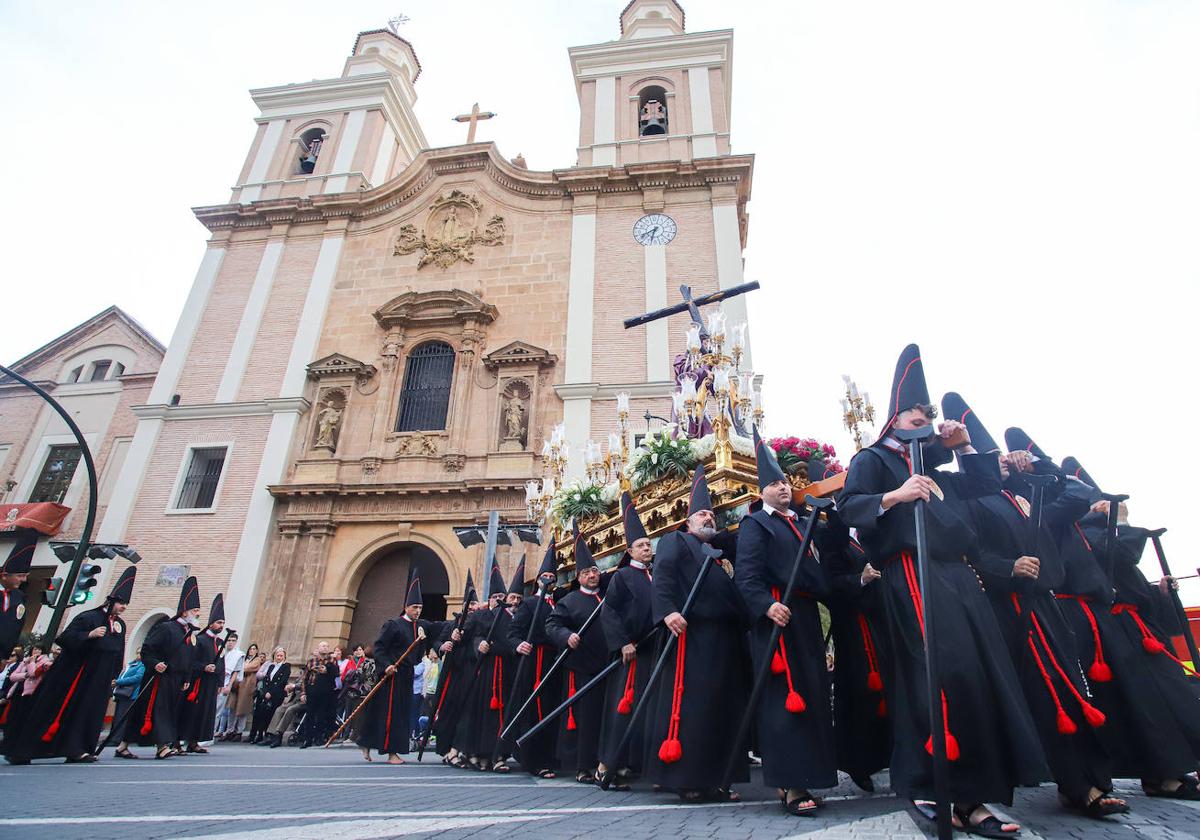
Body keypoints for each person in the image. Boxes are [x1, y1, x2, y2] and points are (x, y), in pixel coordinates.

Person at [839, 345, 1047, 835]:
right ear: (895, 418)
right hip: (908, 573)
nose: (926, 418)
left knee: (974, 672)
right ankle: (937, 787)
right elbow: (849, 507)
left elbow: (982, 487)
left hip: (954, 573)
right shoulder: (871, 459)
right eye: (917, 411)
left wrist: (964, 445)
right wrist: (896, 494)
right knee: (935, 673)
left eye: (929, 413)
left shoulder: (935, 463)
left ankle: (973, 796)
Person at [945, 396, 1126, 820]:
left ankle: (1088, 782)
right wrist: (1008, 566)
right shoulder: (971, 502)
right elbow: (968, 552)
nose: (999, 465)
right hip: (1007, 609)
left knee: (1073, 689)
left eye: (1001, 460)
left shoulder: (1029, 493)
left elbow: (1079, 493)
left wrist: (1036, 464)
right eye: (993, 460)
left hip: (1045, 605)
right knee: (1043, 695)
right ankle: (1064, 782)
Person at [736, 429, 838, 816]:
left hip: (805, 618)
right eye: (775, 483)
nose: (783, 488)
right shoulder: (756, 526)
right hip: (776, 619)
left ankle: (811, 774)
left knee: (811, 696)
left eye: (785, 482)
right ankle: (789, 785)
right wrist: (765, 605)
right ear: (762, 490)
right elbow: (746, 575)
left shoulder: (802, 525)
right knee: (784, 702)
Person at [645, 465, 751, 803]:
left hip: (724, 637)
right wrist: (667, 611)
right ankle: (688, 778)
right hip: (692, 633)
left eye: (712, 515)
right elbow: (663, 577)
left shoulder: (717, 551)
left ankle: (720, 779)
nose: (709, 519)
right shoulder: (676, 541)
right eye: (702, 514)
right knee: (694, 707)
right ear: (687, 521)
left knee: (723, 707)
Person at [5, 565, 137, 764]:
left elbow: (118, 651)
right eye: (120, 603)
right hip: (76, 675)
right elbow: (65, 638)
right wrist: (88, 635)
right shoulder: (89, 617)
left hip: (98, 679)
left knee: (88, 713)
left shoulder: (120, 625)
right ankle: (24, 750)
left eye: (126, 604)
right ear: (111, 601)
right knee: (54, 709)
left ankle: (78, 748)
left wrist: (115, 674)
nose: (123, 607)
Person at [597, 494, 657, 792]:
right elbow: (610, 613)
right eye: (642, 545)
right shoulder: (621, 577)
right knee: (622, 711)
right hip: (629, 654)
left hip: (653, 652)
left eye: (649, 544)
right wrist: (622, 643)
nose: (648, 548)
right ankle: (607, 765)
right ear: (629, 549)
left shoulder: (657, 576)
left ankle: (638, 765)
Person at [120, 576, 201, 760]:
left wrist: (187, 678)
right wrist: (155, 663)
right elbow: (147, 649)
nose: (197, 614)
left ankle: (123, 744)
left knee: (148, 713)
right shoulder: (167, 628)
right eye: (195, 610)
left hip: (176, 680)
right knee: (158, 711)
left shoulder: (188, 634)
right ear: (184, 611)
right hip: (159, 677)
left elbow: (188, 659)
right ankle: (162, 746)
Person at [360, 569, 437, 764]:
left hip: (406, 675)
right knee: (390, 713)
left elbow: (440, 626)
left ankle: (367, 742)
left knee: (401, 714)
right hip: (391, 675)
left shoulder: (420, 625)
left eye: (420, 607)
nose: (418, 611)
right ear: (406, 607)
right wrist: (386, 665)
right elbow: (379, 648)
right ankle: (391, 753)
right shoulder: (393, 624)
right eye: (414, 607)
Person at [452, 561, 514, 771]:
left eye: (502, 597)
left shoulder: (511, 618)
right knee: (480, 714)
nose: (499, 600)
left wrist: (495, 646)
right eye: (496, 597)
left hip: (504, 670)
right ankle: (477, 752)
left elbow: (512, 640)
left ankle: (498, 755)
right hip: (483, 672)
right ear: (489, 599)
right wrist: (477, 644)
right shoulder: (479, 616)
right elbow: (467, 637)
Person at [507, 544, 562, 779]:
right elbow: (513, 632)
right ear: (538, 580)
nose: (548, 579)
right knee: (534, 709)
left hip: (554, 660)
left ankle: (550, 757)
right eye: (545, 576)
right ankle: (535, 759)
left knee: (552, 708)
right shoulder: (529, 604)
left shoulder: (559, 603)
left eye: (552, 576)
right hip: (536, 661)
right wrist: (519, 644)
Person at [179, 594, 226, 753]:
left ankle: (194, 741)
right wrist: (203, 667)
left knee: (204, 713)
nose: (221, 626)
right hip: (198, 682)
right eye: (219, 623)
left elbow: (221, 663)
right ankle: (179, 741)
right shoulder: (200, 639)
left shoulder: (219, 643)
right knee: (191, 711)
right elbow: (190, 660)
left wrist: (220, 682)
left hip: (211, 684)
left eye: (223, 623)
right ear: (211, 623)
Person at [1, 642, 50, 744]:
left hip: (30, 692)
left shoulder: (45, 661)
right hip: (18, 690)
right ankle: (7, 740)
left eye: (39, 649)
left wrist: (31, 664)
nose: (36, 651)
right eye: (35, 649)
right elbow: (13, 677)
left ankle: (15, 741)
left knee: (21, 717)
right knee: (11, 717)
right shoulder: (25, 661)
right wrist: (26, 674)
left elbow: (34, 673)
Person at [0, 529, 35, 656]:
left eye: (25, 575)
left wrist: (4, 655)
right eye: (20, 575)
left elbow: (14, 628)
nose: (24, 579)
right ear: (4, 575)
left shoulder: (19, 596)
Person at [298, 642, 337, 748]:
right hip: (312, 690)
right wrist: (303, 693)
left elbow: (336, 674)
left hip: (325, 692)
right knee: (309, 715)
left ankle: (319, 738)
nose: (325, 648)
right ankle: (308, 739)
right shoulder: (311, 661)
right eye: (322, 646)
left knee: (322, 715)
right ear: (318, 648)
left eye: (327, 646)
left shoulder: (332, 660)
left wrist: (327, 670)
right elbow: (304, 678)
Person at [105, 648, 145, 750]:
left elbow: (138, 678)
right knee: (118, 717)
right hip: (122, 694)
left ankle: (117, 739)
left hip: (131, 694)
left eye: (140, 653)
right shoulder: (131, 664)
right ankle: (114, 738)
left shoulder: (142, 665)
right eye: (137, 652)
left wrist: (119, 682)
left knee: (122, 718)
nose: (138, 655)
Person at [252, 648, 290, 746]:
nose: (279, 657)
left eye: (281, 656)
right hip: (267, 694)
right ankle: (262, 734)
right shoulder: (271, 666)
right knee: (263, 714)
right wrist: (265, 692)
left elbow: (282, 681)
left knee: (273, 714)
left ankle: (270, 736)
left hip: (277, 694)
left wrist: (271, 693)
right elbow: (266, 680)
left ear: (284, 657)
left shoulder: (286, 667)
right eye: (278, 655)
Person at [214, 631, 245, 740]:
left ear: (236, 642)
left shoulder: (238, 655)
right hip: (215, 682)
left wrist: (229, 686)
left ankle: (211, 734)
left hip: (225, 683)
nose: (230, 643)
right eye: (229, 640)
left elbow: (236, 671)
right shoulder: (221, 651)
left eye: (233, 641)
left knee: (217, 710)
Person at [231, 646, 264, 741]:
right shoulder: (245, 658)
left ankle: (239, 731)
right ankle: (230, 730)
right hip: (237, 684)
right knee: (232, 708)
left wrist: (240, 668)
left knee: (243, 709)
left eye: (254, 649)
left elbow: (249, 668)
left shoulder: (257, 660)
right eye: (250, 649)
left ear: (257, 651)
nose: (251, 651)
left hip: (248, 685)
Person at [264, 680, 305, 747]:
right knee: (279, 709)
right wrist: (291, 685)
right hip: (295, 699)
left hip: (304, 700)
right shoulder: (303, 674)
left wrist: (294, 686)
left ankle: (279, 734)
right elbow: (298, 682)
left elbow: (306, 685)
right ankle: (271, 734)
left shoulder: (314, 673)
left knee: (290, 710)